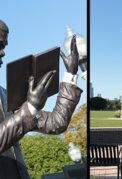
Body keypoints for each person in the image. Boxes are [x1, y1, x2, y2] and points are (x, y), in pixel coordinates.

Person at [0, 19, 83, 178]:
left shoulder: (6, 96)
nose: (3, 52)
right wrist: (30, 108)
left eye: (3, 47)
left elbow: (57, 123)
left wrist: (70, 74)